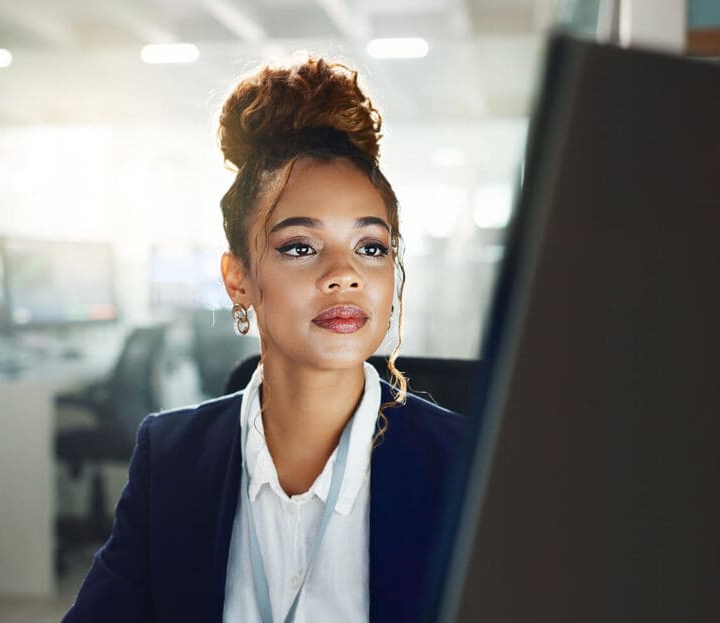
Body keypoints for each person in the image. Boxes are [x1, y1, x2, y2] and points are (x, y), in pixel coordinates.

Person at [62, 57, 464, 623]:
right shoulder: (172, 459)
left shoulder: (468, 469)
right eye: (300, 246)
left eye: (371, 247)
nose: (344, 273)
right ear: (239, 279)